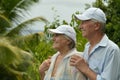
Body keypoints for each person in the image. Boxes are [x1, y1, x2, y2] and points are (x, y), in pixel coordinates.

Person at [70, 7, 120, 80]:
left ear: (96, 26)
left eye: (83, 22)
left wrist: (85, 69)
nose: (80, 27)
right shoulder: (87, 46)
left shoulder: (112, 50)